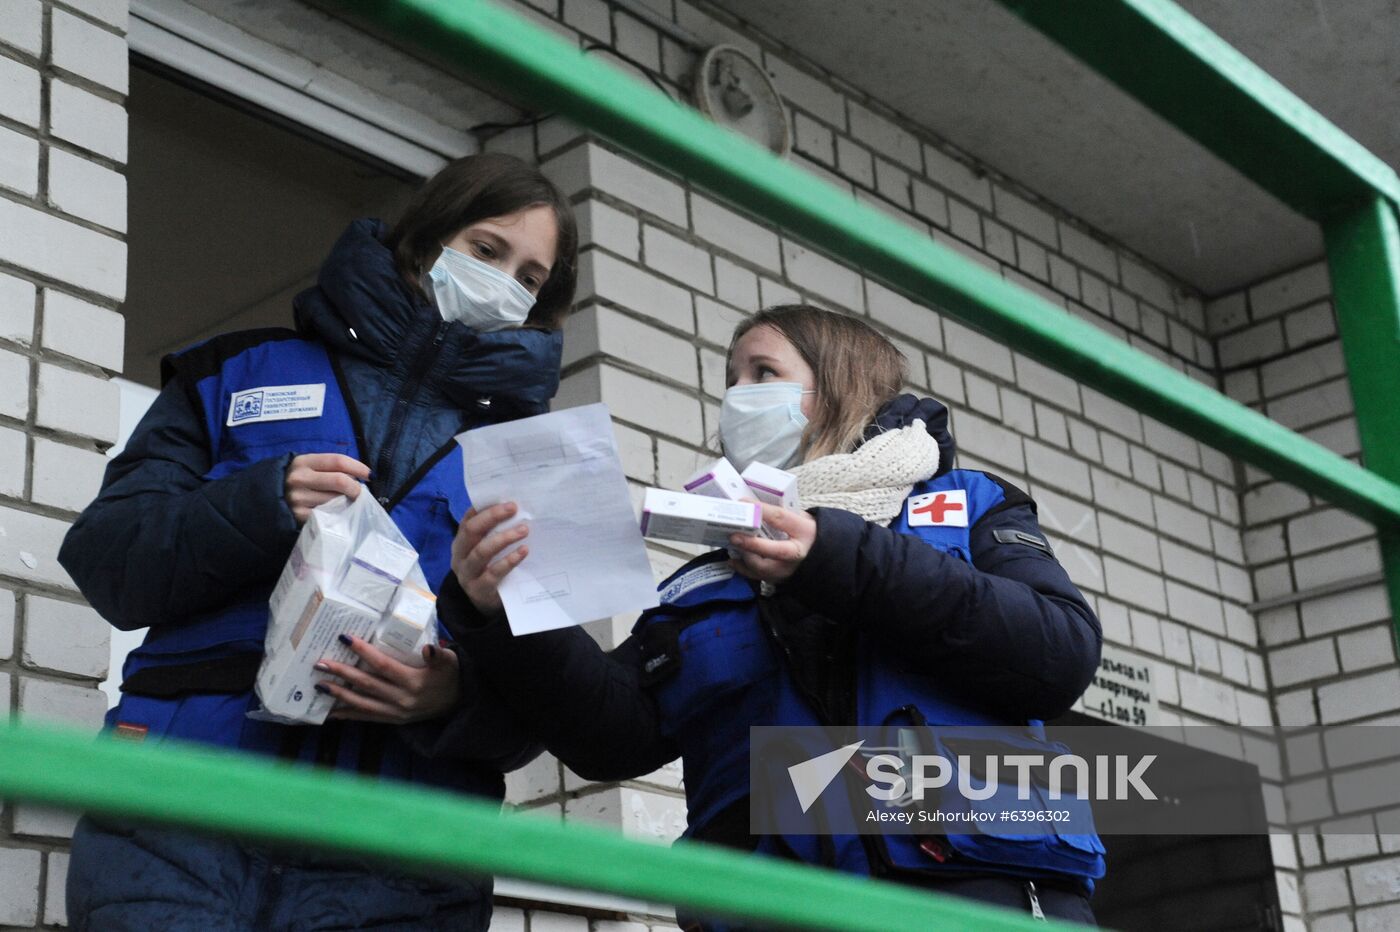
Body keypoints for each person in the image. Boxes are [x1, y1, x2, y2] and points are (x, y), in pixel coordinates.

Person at [439, 305, 1106, 927]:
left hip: (963, 901)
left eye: (763, 373)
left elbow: (1059, 650)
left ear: (843, 385)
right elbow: (615, 735)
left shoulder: (966, 504)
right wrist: (503, 612)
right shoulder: (705, 577)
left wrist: (829, 554)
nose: (737, 395)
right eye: (730, 379)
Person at [58, 152, 578, 931]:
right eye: (487, 249)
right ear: (425, 238)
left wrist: (453, 699)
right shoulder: (230, 372)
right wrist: (260, 500)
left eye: (532, 278)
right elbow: (111, 562)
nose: (506, 281)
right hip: (177, 811)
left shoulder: (546, 464)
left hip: (401, 856)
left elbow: (564, 704)